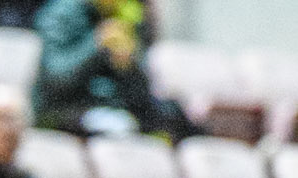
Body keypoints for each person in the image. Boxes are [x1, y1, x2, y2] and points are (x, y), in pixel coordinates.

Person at [31, 0, 193, 140]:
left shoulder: (128, 15)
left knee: (175, 117)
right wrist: (96, 45)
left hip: (115, 108)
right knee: (118, 127)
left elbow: (142, 96)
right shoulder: (61, 14)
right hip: (66, 111)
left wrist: (128, 66)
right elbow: (56, 80)